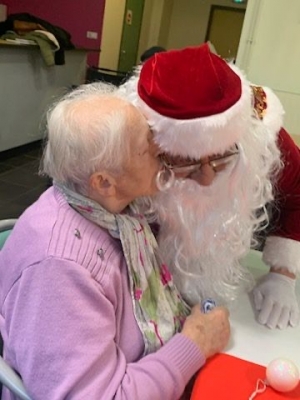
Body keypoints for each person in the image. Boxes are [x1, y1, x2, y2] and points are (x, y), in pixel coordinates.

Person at [0, 82, 230, 400]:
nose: (163, 152)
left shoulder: (113, 207)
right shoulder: (58, 270)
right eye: (150, 148)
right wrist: (193, 344)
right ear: (105, 182)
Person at [120, 43, 300, 330]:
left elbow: (298, 195)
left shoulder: (265, 138)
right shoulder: (124, 144)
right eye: (184, 163)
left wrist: (283, 274)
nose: (206, 178)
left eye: (220, 157)